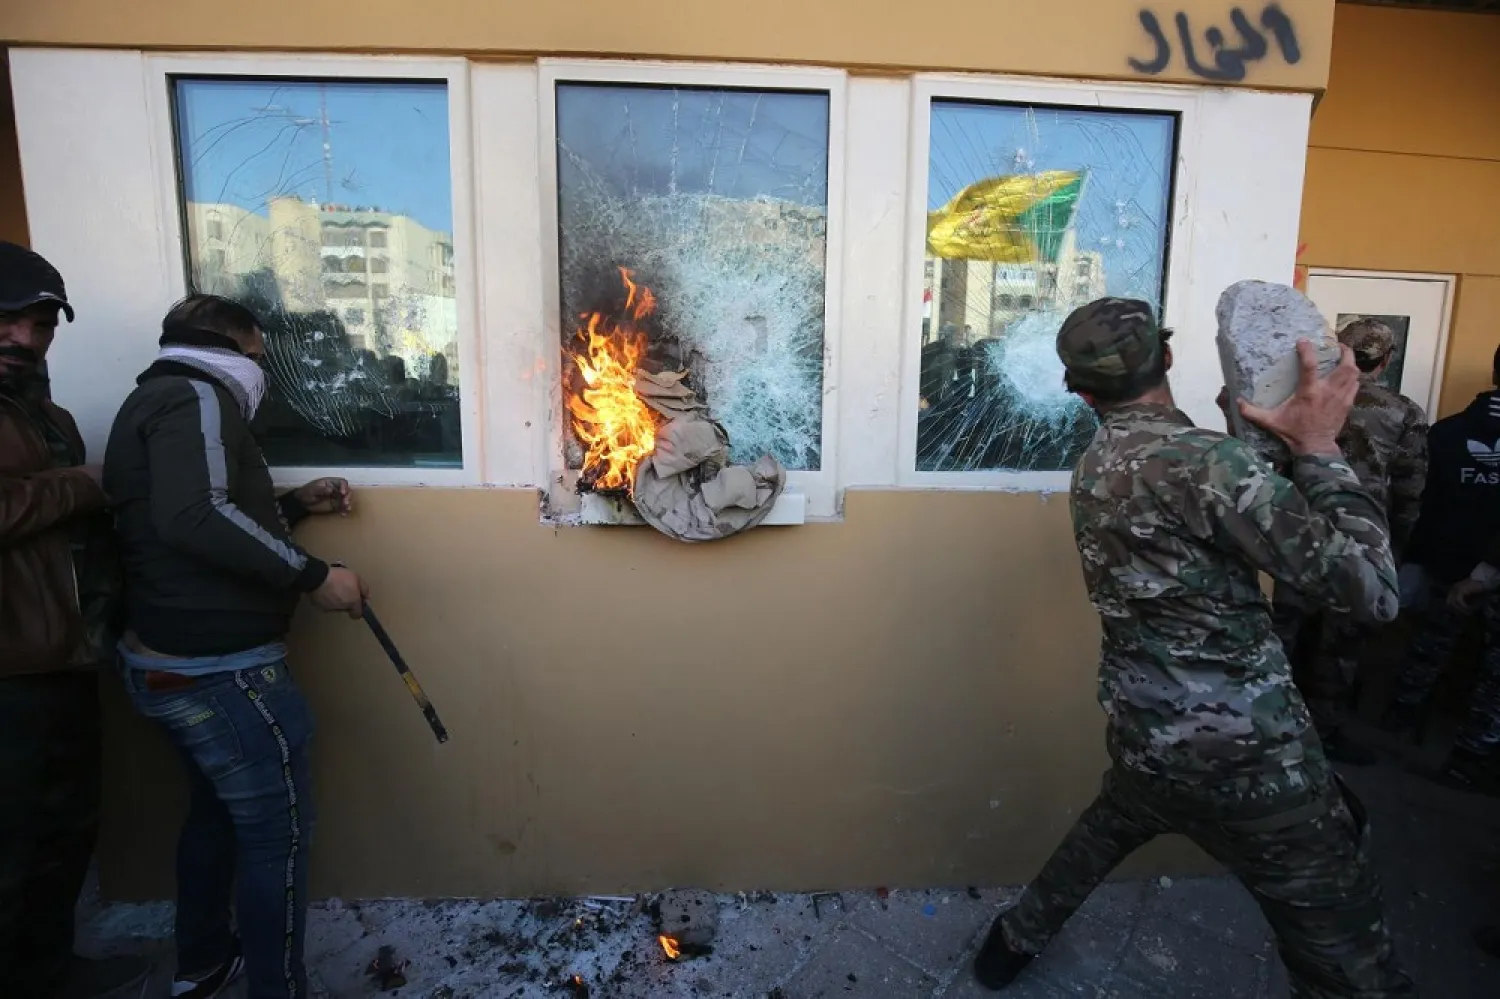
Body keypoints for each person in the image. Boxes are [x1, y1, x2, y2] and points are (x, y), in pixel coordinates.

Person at [973, 299, 1414, 996]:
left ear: (1080, 391)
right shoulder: (1210, 462)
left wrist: (1255, 443)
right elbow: (1374, 593)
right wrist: (1321, 449)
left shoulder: (1099, 462)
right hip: (1253, 762)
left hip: (1149, 735)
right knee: (1352, 962)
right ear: (1169, 358)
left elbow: (1195, 514)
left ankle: (1009, 944)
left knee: (1105, 831)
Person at [103, 294, 370, 999]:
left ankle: (201, 963)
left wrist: (292, 506)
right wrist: (314, 574)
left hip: (167, 660)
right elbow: (197, 516)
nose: (262, 374)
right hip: (222, 674)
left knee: (215, 815)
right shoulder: (195, 396)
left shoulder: (152, 398)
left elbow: (183, 519)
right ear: (228, 346)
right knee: (274, 842)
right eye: (258, 358)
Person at [0, 242, 153, 999]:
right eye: (8, 321)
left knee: (63, 834)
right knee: (11, 845)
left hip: (69, 656)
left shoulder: (47, 415)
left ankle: (49, 971)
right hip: (9, 668)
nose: (24, 339)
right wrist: (78, 485)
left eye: (39, 325)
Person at [1271, 318, 1428, 764]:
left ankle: (1272, 731)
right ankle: (1324, 733)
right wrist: (1396, 546)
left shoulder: (1304, 398)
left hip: (1296, 532)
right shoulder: (1404, 411)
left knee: (1282, 633)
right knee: (1340, 645)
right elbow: (1411, 486)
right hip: (1360, 538)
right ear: (1386, 360)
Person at [1388, 354, 1500, 786]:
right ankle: (1470, 756)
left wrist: (1414, 556)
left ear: (1493, 373)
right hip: (1489, 567)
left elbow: (1421, 500)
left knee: (1430, 646)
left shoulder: (1447, 432)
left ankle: (1401, 716)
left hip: (1447, 559)